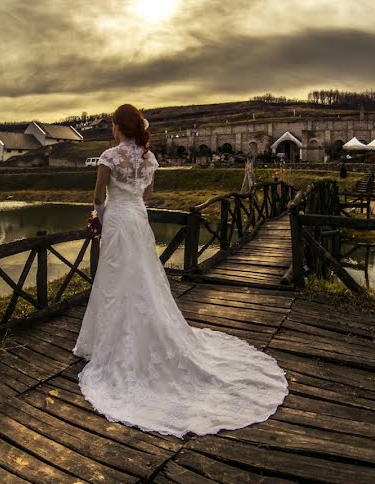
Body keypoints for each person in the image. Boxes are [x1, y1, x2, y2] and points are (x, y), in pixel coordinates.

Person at [73, 104, 288, 438]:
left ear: (118, 126)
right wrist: (126, 206)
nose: (112, 130)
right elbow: (148, 195)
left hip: (117, 221)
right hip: (138, 219)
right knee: (143, 277)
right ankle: (141, 335)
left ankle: (108, 343)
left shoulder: (108, 157)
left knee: (116, 279)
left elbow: (98, 196)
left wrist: (99, 218)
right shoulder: (148, 158)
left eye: (113, 125)